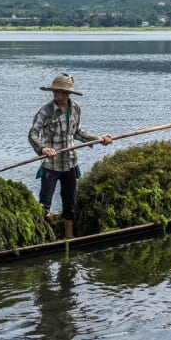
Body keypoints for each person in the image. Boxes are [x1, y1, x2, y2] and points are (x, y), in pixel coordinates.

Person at [28, 73, 112, 239]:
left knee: (70, 201)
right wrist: (43, 148)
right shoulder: (46, 111)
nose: (57, 95)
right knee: (44, 202)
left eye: (61, 92)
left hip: (71, 163)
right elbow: (32, 135)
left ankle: (69, 235)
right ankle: (41, 237)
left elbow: (78, 132)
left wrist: (98, 139)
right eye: (55, 91)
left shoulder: (76, 108)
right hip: (51, 165)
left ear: (68, 94)